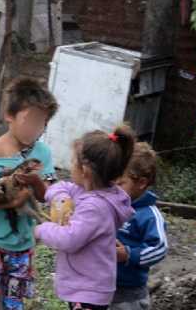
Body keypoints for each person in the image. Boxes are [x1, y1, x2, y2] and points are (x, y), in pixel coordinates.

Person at [0, 78, 59, 310]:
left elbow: (47, 195)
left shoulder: (42, 152)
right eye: (30, 120)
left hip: (23, 243)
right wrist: (15, 199)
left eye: (42, 123)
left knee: (16, 302)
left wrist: (36, 182)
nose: (36, 129)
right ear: (10, 115)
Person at [34, 126, 137, 310]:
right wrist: (60, 198)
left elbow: (69, 239)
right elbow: (61, 187)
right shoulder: (92, 192)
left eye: (73, 162)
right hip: (86, 286)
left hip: (88, 291)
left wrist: (42, 230)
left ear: (85, 171)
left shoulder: (95, 207)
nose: (70, 166)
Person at [112, 143, 168, 310]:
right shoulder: (110, 206)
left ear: (141, 183)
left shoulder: (149, 215)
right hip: (99, 287)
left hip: (129, 296)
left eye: (120, 183)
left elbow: (159, 248)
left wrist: (129, 255)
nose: (113, 188)